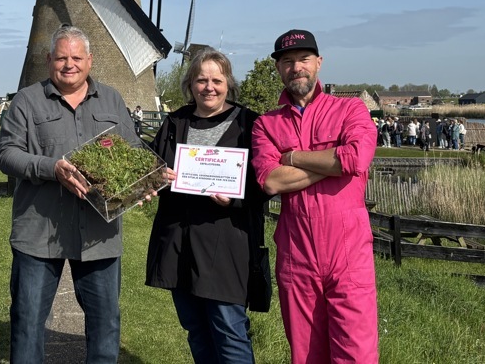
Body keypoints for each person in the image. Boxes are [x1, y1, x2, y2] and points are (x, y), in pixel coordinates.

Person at [0, 25, 141, 364]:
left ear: (90, 60)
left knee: (105, 323)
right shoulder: (26, 102)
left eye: (77, 57)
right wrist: (52, 168)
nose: (69, 64)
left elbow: (133, 150)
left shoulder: (112, 100)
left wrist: (141, 182)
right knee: (28, 323)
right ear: (48, 60)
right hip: (39, 232)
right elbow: (6, 154)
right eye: (61, 57)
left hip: (98, 234)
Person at [251, 29, 378, 364]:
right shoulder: (266, 124)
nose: (297, 67)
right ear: (279, 69)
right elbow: (271, 181)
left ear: (318, 63)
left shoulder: (350, 109)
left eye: (304, 59)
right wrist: (334, 162)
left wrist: (292, 157)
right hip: (297, 255)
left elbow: (356, 158)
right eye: (288, 61)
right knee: (306, 355)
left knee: (357, 354)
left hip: (348, 253)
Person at [146, 48, 269, 363]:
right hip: (178, 242)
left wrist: (236, 198)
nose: (209, 87)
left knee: (229, 330)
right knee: (196, 329)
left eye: (216, 79)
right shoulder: (175, 122)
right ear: (190, 84)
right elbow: (154, 172)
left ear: (228, 83)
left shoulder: (250, 124)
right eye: (201, 80)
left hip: (226, 245)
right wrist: (155, 178)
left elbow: (266, 182)